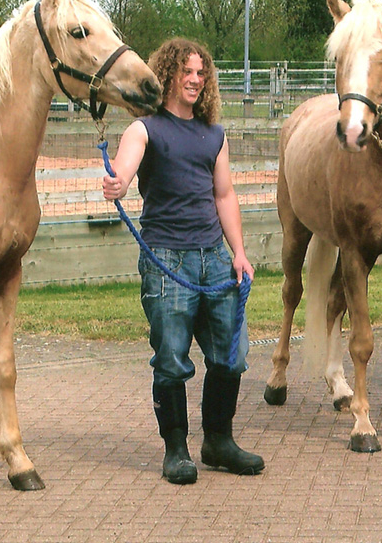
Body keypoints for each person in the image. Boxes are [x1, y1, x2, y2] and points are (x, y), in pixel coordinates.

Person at [101, 38, 264, 484]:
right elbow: (124, 170)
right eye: (186, 72)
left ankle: (219, 442)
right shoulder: (145, 128)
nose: (195, 80)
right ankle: (176, 450)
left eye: (201, 73)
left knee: (231, 356)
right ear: (168, 74)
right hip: (166, 260)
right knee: (172, 358)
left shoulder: (215, 134)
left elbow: (224, 194)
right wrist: (115, 184)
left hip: (214, 258)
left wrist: (239, 253)